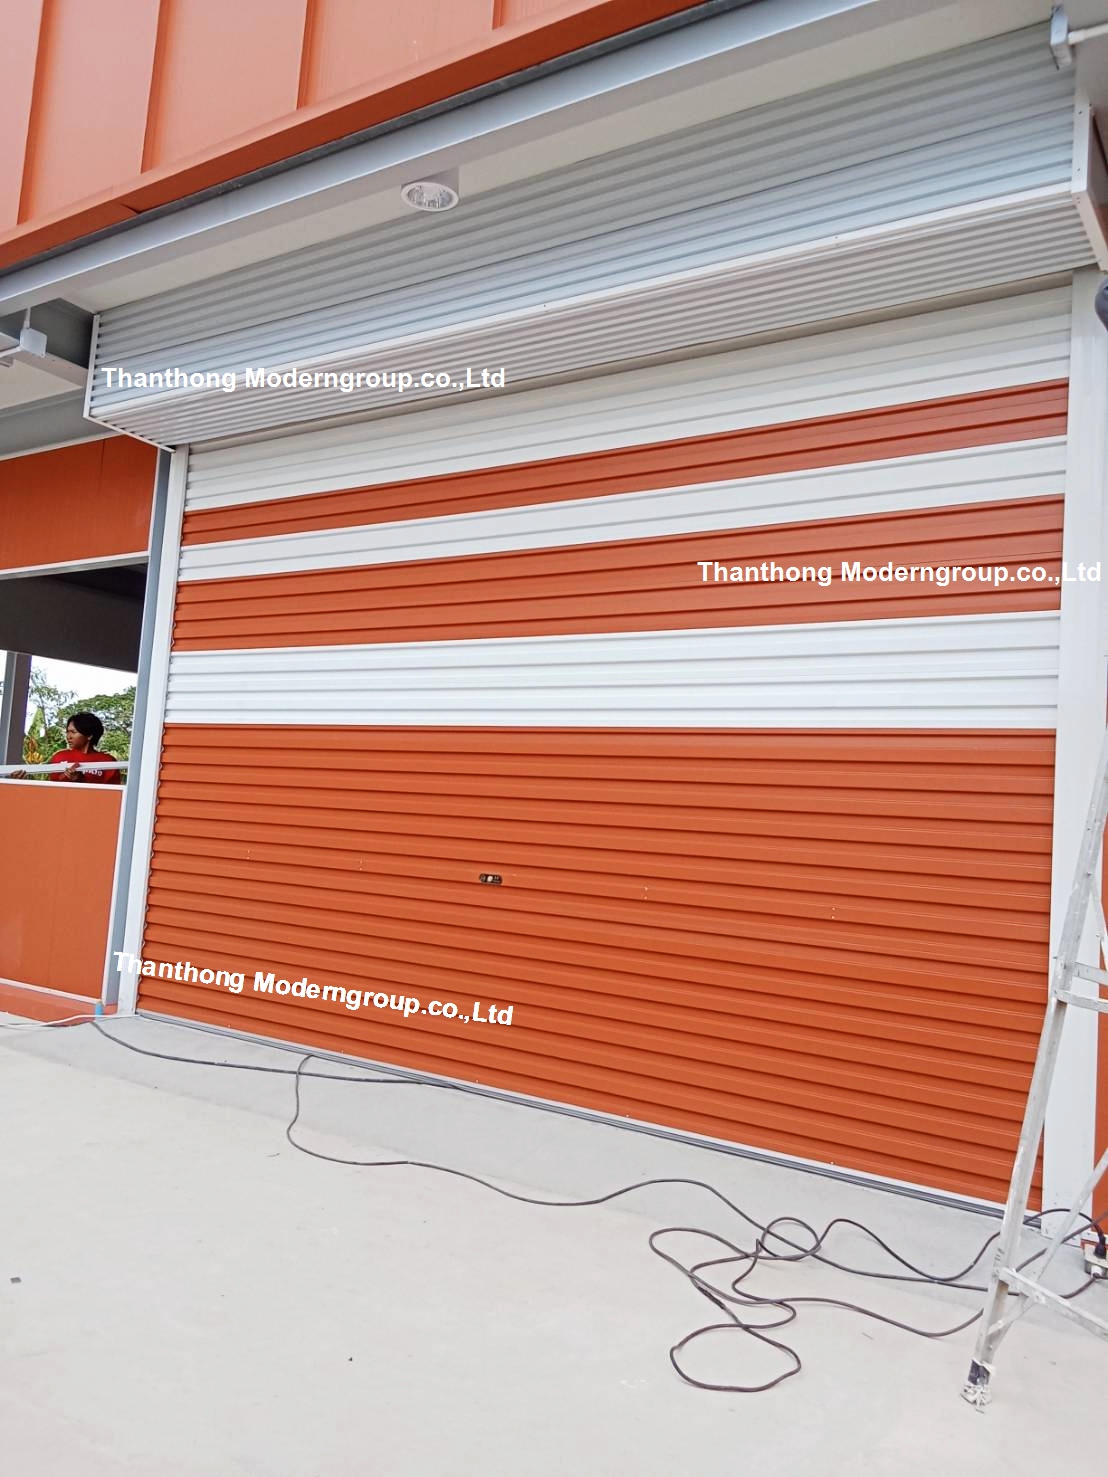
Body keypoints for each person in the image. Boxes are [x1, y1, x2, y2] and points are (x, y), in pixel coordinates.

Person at [9, 712, 122, 784]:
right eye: (67, 732)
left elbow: (113, 795)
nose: (68, 736)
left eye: (73, 732)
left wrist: (81, 780)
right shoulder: (60, 757)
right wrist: (21, 782)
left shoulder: (107, 761)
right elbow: (51, 789)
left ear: (89, 736)